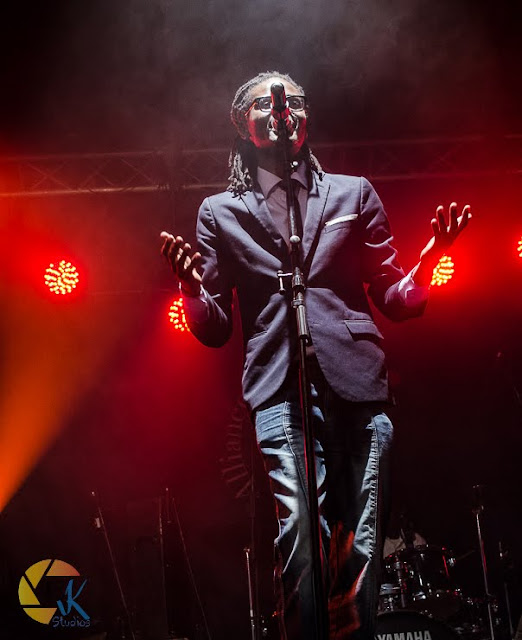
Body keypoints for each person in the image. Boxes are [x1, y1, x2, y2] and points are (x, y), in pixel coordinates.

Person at [160, 71, 470, 640]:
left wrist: (430, 259)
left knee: (361, 546)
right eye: (266, 103)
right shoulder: (219, 211)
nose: (283, 110)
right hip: (279, 388)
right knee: (301, 534)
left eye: (294, 102)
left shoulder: (354, 193)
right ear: (243, 126)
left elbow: (394, 296)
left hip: (358, 384)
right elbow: (216, 325)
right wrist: (190, 291)